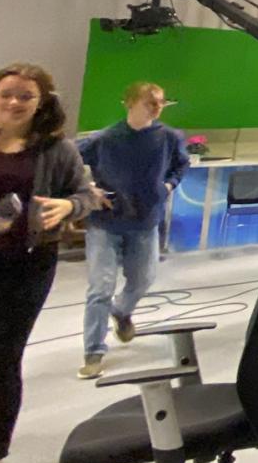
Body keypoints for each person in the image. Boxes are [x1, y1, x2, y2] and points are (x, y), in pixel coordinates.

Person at [0, 63, 94, 463]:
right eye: (7, 93)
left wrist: (68, 207)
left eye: (25, 96)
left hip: (24, 268)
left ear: (41, 104)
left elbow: (87, 195)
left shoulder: (56, 150)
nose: (14, 102)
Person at [78, 82, 189, 380]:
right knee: (100, 288)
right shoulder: (104, 138)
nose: (156, 108)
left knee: (143, 279)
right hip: (106, 222)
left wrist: (169, 185)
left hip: (145, 222)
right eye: (149, 102)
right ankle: (93, 352)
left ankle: (122, 311)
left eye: (161, 103)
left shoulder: (169, 138)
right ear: (129, 102)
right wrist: (88, 188)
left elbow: (181, 165)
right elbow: (68, 163)